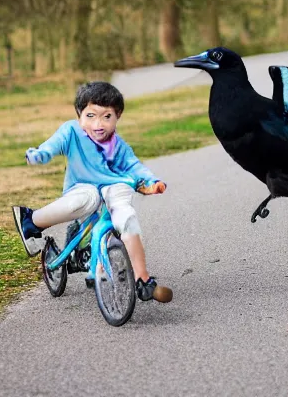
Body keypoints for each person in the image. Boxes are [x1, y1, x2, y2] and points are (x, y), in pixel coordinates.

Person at [12, 81, 172, 303]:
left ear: (118, 117)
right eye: (91, 116)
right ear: (79, 115)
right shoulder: (72, 131)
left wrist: (152, 182)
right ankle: (33, 220)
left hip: (113, 186)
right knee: (86, 200)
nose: (98, 124)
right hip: (83, 188)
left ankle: (142, 279)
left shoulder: (120, 147)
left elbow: (135, 167)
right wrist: (40, 154)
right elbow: (53, 145)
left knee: (126, 216)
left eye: (107, 117)